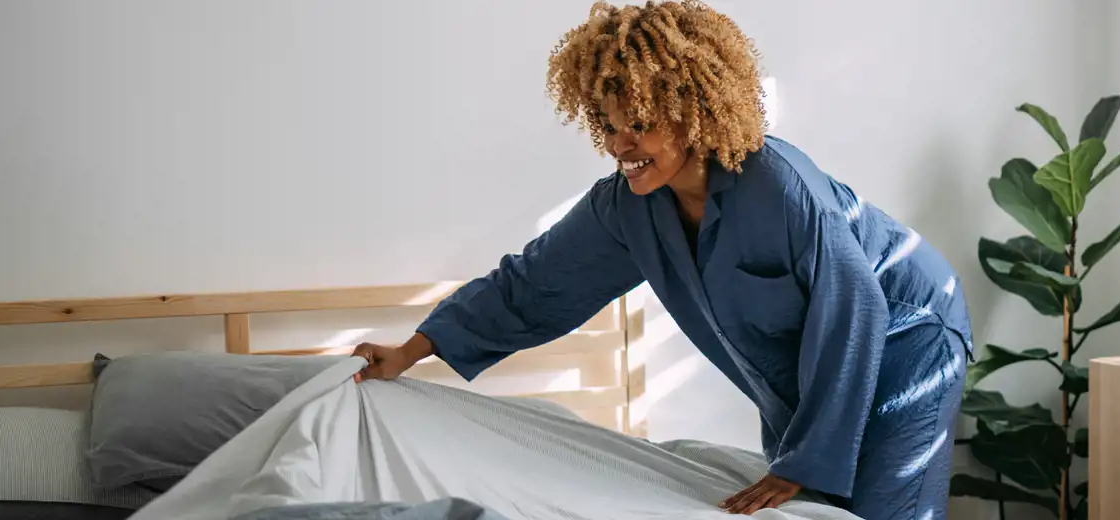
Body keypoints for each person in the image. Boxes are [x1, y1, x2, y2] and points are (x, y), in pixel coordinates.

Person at [351, 2, 970, 518]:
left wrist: (805, 462)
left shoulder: (780, 188)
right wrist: (412, 350)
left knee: (882, 508)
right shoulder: (626, 208)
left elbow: (853, 309)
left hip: (906, 333)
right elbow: (532, 285)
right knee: (813, 511)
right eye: (607, 126)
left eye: (640, 125)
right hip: (813, 367)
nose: (620, 145)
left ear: (692, 114)